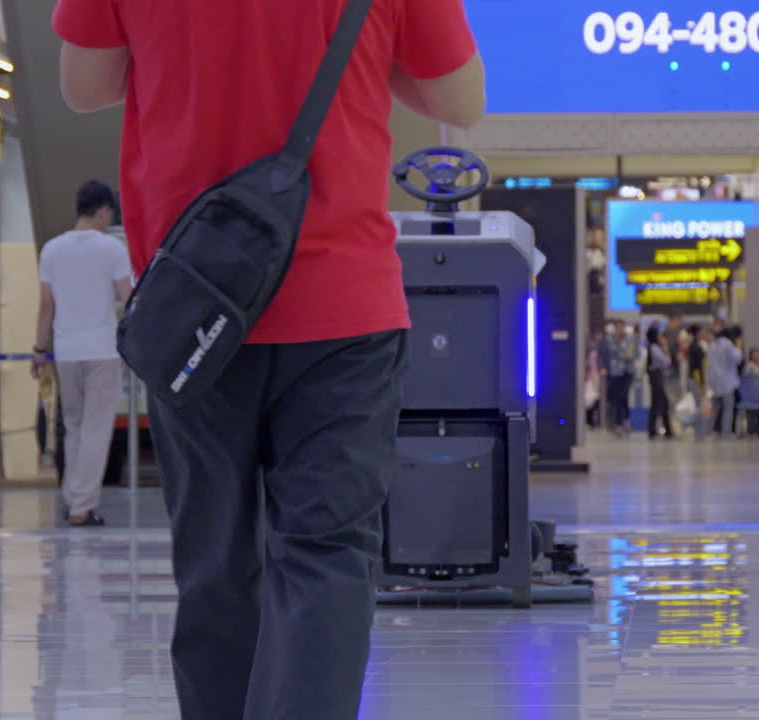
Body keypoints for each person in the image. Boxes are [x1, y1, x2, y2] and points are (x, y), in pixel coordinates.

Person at [53, 1, 483, 717]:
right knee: (327, 557)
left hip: (199, 305)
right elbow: (459, 98)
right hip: (345, 306)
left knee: (216, 564)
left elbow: (84, 85)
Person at [32, 180, 133, 527]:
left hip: (67, 350)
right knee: (96, 429)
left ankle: (71, 496)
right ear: (103, 210)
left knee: (73, 427)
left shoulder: (52, 249)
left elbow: (46, 306)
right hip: (102, 349)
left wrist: (38, 349)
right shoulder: (111, 249)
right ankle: (82, 507)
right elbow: (127, 297)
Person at [598, 320, 636, 435]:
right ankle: (617, 423)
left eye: (621, 327)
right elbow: (602, 354)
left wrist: (629, 355)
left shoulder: (630, 339)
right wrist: (603, 367)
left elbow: (634, 352)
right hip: (614, 372)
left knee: (624, 395)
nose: (619, 330)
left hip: (627, 371)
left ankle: (625, 420)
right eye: (617, 327)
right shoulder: (608, 340)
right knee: (616, 398)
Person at [706, 327, 743, 437]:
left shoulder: (713, 345)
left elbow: (709, 365)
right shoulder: (727, 344)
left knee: (715, 409)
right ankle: (725, 433)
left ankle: (707, 431)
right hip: (727, 382)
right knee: (728, 408)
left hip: (715, 382)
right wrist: (739, 346)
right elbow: (737, 358)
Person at [645, 325, 673, 439]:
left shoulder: (654, 347)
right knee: (657, 404)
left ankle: (667, 431)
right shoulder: (655, 348)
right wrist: (666, 349)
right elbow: (666, 361)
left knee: (663, 404)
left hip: (657, 377)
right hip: (656, 377)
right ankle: (653, 431)